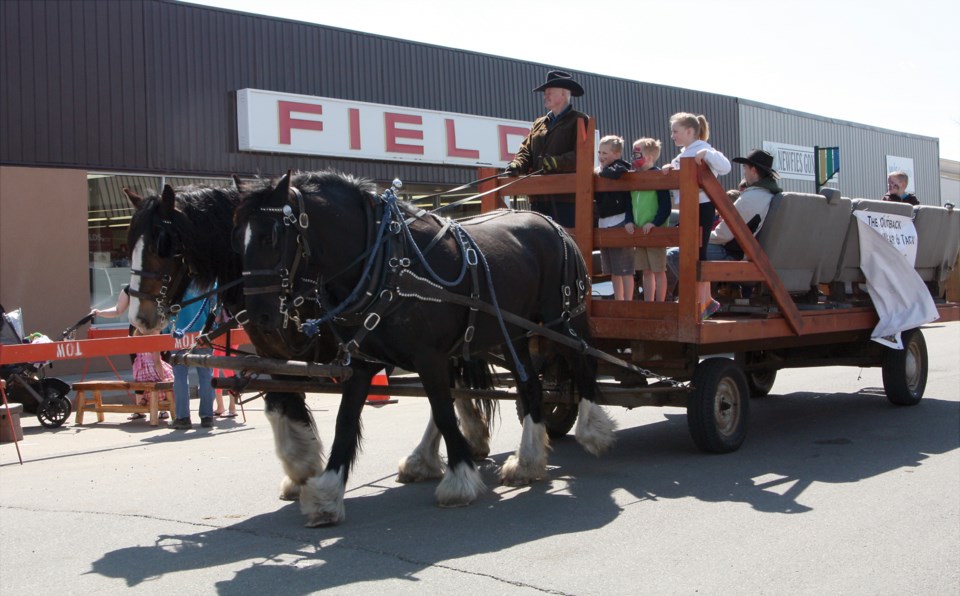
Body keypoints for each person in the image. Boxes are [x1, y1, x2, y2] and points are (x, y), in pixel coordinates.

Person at [667, 149, 781, 299]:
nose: (744, 173)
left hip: (733, 254)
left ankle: (699, 299)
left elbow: (723, 236)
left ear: (753, 170)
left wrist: (697, 238)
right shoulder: (769, 195)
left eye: (745, 168)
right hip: (749, 253)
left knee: (674, 254)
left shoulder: (751, 198)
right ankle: (702, 297)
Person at [661, 112, 731, 319]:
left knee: (698, 252)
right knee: (689, 251)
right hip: (689, 208)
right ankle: (703, 299)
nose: (672, 135)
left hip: (703, 206)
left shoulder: (703, 148)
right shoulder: (683, 153)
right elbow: (676, 169)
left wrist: (706, 155)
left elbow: (725, 166)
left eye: (676, 131)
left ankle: (704, 299)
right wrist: (669, 168)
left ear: (690, 131)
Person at [505, 70, 589, 227]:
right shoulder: (539, 123)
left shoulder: (580, 120)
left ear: (564, 93)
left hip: (565, 200)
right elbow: (526, 151)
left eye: (549, 91)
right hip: (538, 199)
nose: (545, 95)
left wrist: (555, 163)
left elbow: (583, 157)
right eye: (545, 92)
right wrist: (518, 164)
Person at [92, 287, 171, 420]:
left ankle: (163, 407)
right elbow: (118, 309)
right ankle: (140, 407)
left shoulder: (157, 286)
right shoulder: (130, 289)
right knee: (140, 369)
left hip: (155, 328)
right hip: (137, 332)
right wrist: (100, 313)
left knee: (159, 366)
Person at [167, 283, 216, 430]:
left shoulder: (175, 283)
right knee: (206, 376)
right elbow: (215, 308)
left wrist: (165, 331)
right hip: (202, 334)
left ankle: (183, 418)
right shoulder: (208, 284)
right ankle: (207, 416)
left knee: (180, 378)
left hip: (178, 335)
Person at [630, 137, 672, 302]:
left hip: (655, 231)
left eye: (636, 154)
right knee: (645, 270)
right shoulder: (634, 177)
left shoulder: (658, 176)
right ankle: (649, 303)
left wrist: (654, 223)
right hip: (639, 230)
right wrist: (629, 220)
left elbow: (665, 207)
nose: (633, 158)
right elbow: (629, 203)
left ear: (649, 157)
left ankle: (660, 303)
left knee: (658, 270)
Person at [594, 135, 636, 300]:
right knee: (612, 268)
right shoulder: (600, 171)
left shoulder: (621, 166)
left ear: (617, 154)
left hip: (619, 220)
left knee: (624, 268)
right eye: (599, 152)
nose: (601, 156)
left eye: (605, 153)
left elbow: (615, 173)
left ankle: (628, 301)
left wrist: (599, 171)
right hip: (604, 222)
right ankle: (619, 300)